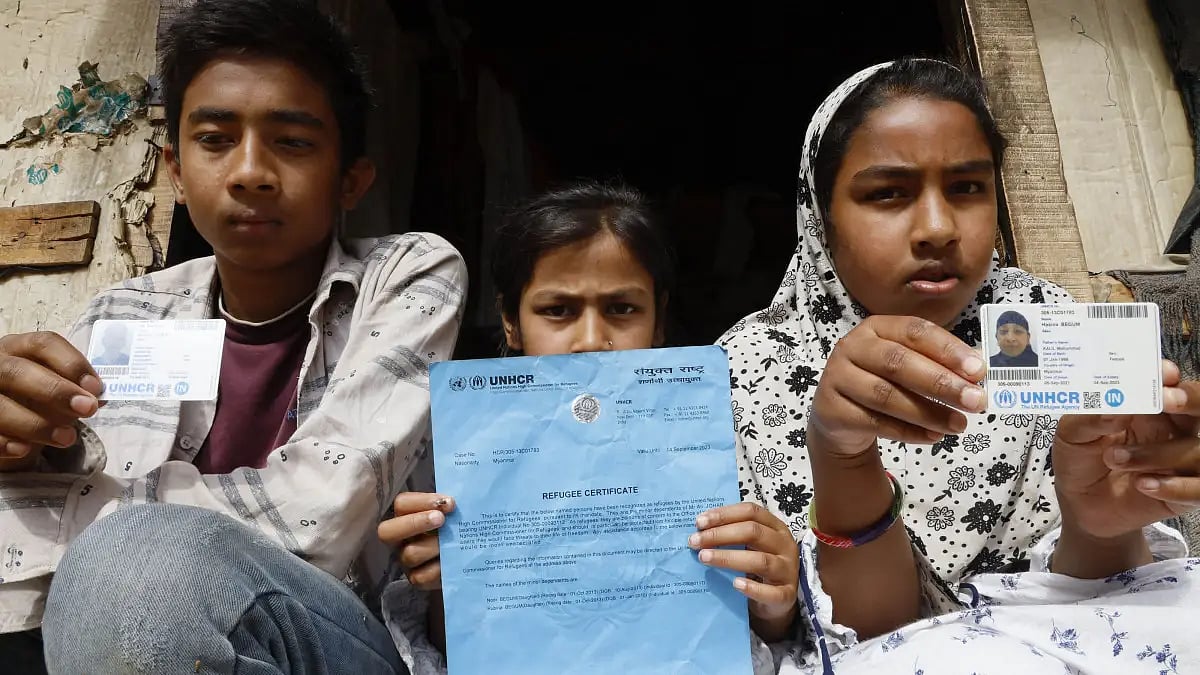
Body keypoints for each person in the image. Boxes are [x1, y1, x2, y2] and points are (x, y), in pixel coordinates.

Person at [0, 1, 467, 672]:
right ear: (176, 173)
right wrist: (23, 454)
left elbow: (317, 520)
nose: (250, 170)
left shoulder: (407, 275)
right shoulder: (126, 312)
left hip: (334, 641)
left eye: (293, 141)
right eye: (216, 139)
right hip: (111, 637)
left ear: (352, 180)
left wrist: (65, 516)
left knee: (133, 564)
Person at [719, 59, 1200, 673]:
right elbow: (868, 638)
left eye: (968, 187)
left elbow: (1098, 611)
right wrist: (843, 456)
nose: (939, 228)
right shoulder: (749, 372)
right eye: (887, 193)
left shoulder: (1051, 329)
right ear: (820, 215)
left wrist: (1103, 529)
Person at [377, 182, 797, 674]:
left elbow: (750, 625)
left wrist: (775, 602)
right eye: (558, 310)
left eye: (622, 309)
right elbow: (462, 651)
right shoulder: (459, 460)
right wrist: (444, 586)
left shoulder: (717, 444)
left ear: (658, 320)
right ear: (511, 321)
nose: (593, 341)